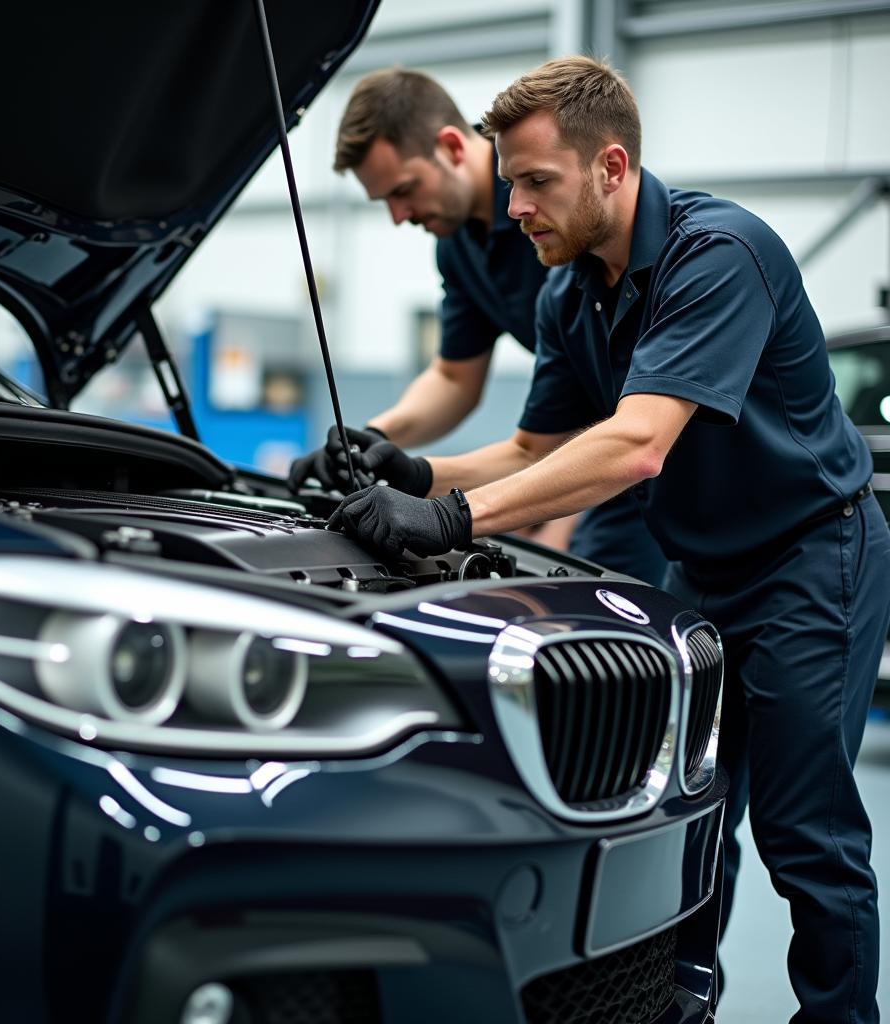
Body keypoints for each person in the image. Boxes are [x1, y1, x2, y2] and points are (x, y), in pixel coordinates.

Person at [329, 56, 889, 1023]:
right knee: (689, 822)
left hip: (812, 561)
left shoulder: (720, 255)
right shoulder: (568, 294)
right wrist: (407, 472)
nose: (512, 211)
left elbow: (634, 447)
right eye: (509, 184)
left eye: (536, 182)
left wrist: (451, 518)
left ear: (612, 168)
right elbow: (531, 446)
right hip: (700, 568)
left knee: (810, 835)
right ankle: (684, 1007)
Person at [287, 68, 667, 584]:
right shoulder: (459, 247)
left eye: (404, 189)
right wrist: (377, 441)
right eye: (386, 202)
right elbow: (455, 380)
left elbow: (626, 427)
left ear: (450, 146)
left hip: (645, 451)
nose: (399, 216)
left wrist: (548, 528)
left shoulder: (569, 222)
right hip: (594, 456)